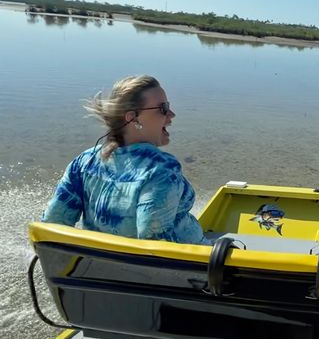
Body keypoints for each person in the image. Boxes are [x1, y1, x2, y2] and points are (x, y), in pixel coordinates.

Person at [42, 75, 210, 245]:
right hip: (191, 265)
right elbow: (155, 244)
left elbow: (52, 225)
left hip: (99, 262)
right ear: (132, 118)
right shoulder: (160, 169)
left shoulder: (85, 162)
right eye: (163, 108)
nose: (171, 115)